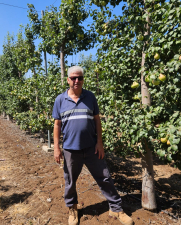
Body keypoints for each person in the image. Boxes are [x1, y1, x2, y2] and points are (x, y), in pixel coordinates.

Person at [52, 66, 134, 225]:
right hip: (70, 149)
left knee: (104, 177)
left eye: (80, 78)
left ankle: (116, 208)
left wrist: (100, 143)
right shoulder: (60, 100)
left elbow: (97, 120)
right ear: (68, 80)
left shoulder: (90, 97)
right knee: (70, 181)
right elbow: (57, 125)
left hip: (91, 148)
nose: (77, 81)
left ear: (83, 79)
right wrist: (56, 148)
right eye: (73, 78)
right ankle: (73, 208)